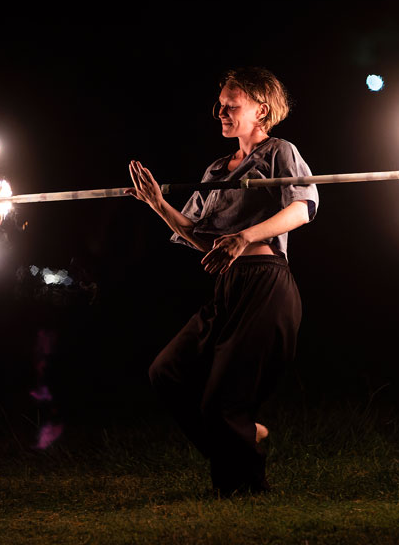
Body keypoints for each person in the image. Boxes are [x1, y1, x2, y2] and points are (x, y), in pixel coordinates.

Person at [126, 66, 318, 496]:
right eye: (221, 105)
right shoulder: (215, 170)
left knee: (223, 400)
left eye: (232, 105)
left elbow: (304, 207)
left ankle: (244, 487)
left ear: (260, 109)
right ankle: (244, 440)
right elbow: (200, 239)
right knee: (167, 372)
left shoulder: (279, 152)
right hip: (228, 286)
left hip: (267, 284)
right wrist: (158, 204)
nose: (221, 111)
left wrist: (244, 236)